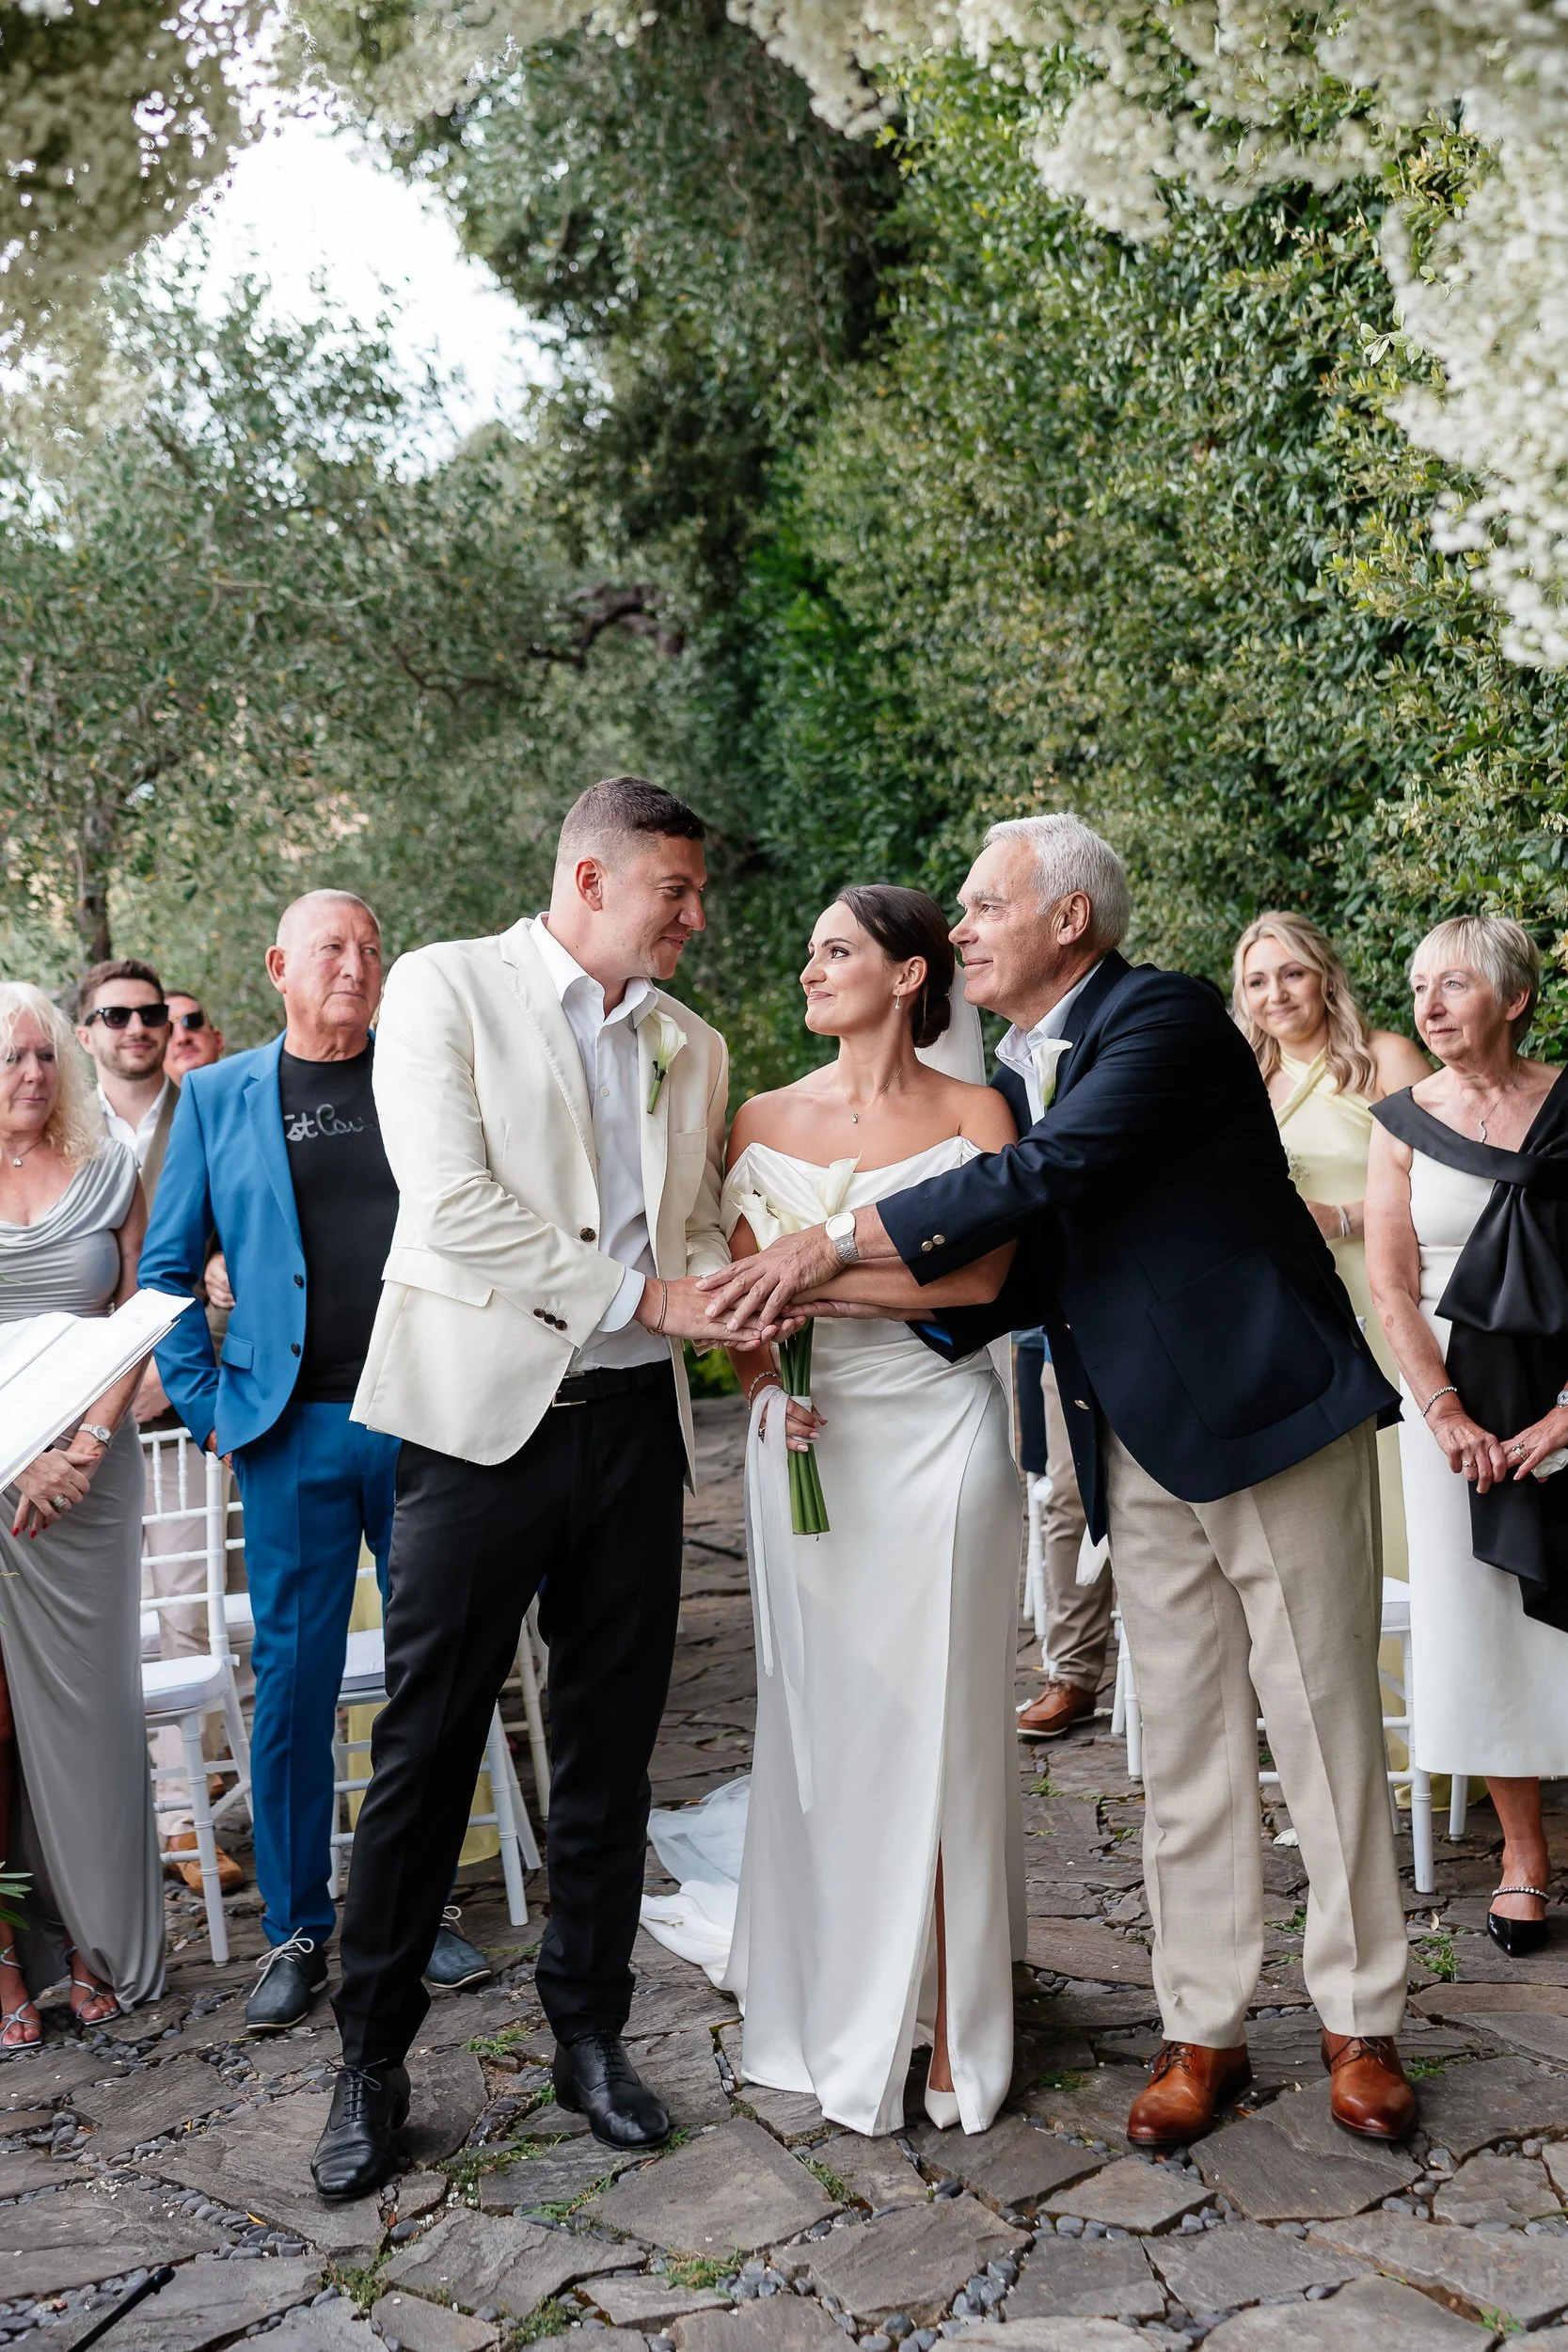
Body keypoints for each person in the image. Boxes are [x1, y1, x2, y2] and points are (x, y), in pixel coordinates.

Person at [705, 813, 1418, 2150]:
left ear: (1067, 921)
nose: (958, 928)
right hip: (1130, 1448)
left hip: (1265, 1423)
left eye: (980, 907)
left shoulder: (1162, 1020)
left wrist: (823, 1249)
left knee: (1319, 1731)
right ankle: (1198, 2028)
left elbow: (1049, 1176)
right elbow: (1025, 1268)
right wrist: (803, 1309)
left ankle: (1356, 2023)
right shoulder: (1028, 1068)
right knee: (1187, 1753)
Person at [311, 776, 730, 2202]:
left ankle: (590, 2035)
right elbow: (453, 1203)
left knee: (611, 1752)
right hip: (477, 1429)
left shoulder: (693, 1044)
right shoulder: (441, 988)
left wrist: (753, 1278)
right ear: (590, 878)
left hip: (631, 1431)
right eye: (674, 889)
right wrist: (649, 1290)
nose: (693, 916)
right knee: (426, 1750)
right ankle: (370, 2058)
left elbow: (695, 1224)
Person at [692, 884, 1023, 2136]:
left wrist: (823, 1274)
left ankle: (950, 2012)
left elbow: (985, 1272)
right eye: (808, 950)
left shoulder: (972, 1111)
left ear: (906, 975)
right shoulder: (757, 1117)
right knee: (832, 1728)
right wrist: (769, 1379)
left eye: (834, 950)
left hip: (940, 1437)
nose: (807, 971)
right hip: (801, 1448)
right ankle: (838, 1989)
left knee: (947, 1726)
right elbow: (736, 1299)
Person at [140, 892, 489, 2035]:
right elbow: (165, 1272)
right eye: (332, 948)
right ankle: (299, 1924)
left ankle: (414, 1904)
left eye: (372, 947)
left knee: (429, 1672)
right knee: (291, 1686)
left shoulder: (418, 1076)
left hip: (424, 1416)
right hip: (288, 1430)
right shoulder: (218, 1095)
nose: (357, 963)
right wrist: (208, 1403)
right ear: (279, 964)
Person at [1366, 915, 1568, 1960]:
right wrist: (1443, 1410)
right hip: (1448, 1402)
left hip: (1564, 1385)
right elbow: (1391, 1284)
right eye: (1415, 987)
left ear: (1514, 997)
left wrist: (1566, 1414)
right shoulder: (1398, 1120)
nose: (1428, 1004)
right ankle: (1521, 1856)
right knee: (1484, 1616)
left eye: (1452, 984)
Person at [0, 982, 163, 2045]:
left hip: (92, 1481)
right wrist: (14, 1467)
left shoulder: (110, 1168)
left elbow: (140, 1306)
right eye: (9, 1058)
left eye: (42, 1056)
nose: (29, 1075)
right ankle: (11, 1959)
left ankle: (103, 1945)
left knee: (94, 1719)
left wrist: (87, 1443)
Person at [1235, 912, 1429, 1584]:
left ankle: (1422, 1681)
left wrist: (1343, 1218)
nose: (1276, 994)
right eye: (1257, 981)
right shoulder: (1241, 1086)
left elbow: (1441, 1185)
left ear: (1324, 978)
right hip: (1298, 1311)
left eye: (1292, 973)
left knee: (1405, 1472)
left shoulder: (1385, 1058)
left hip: (1386, 1293)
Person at [132, 979, 245, 1894]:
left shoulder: (218, 1107)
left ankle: (195, 1805)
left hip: (192, 1404)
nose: (160, 1033)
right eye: (129, 1017)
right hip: (88, 1419)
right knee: (147, 1629)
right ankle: (166, 1821)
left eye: (179, 1020)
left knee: (197, 1617)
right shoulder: (87, 1136)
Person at [76, 958, 178, 1190]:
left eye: (151, 1014)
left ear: (168, 1029)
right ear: (85, 1038)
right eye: (116, 1016)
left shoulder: (209, 1119)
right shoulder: (61, 1130)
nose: (137, 1029)